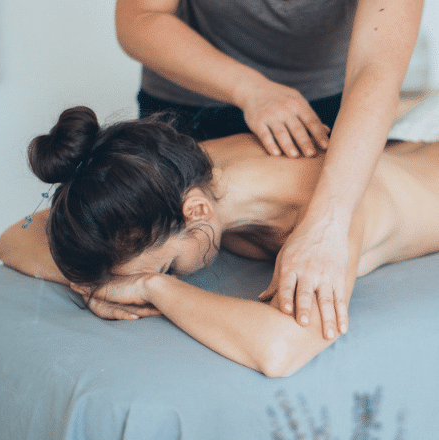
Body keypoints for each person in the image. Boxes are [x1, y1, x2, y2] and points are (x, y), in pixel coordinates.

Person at [0, 106, 439, 377]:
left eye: (166, 264)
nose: (158, 274)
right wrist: (99, 282)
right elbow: (13, 238)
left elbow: (282, 350)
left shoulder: (325, 213)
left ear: (196, 213)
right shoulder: (183, 174)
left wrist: (153, 286)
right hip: (406, 146)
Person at [115, 0, 424, 337]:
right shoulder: (200, 202)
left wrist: (326, 225)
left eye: (168, 268)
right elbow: (138, 17)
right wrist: (249, 88)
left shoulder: (306, 197)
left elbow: (375, 70)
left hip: (316, 110)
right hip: (189, 92)